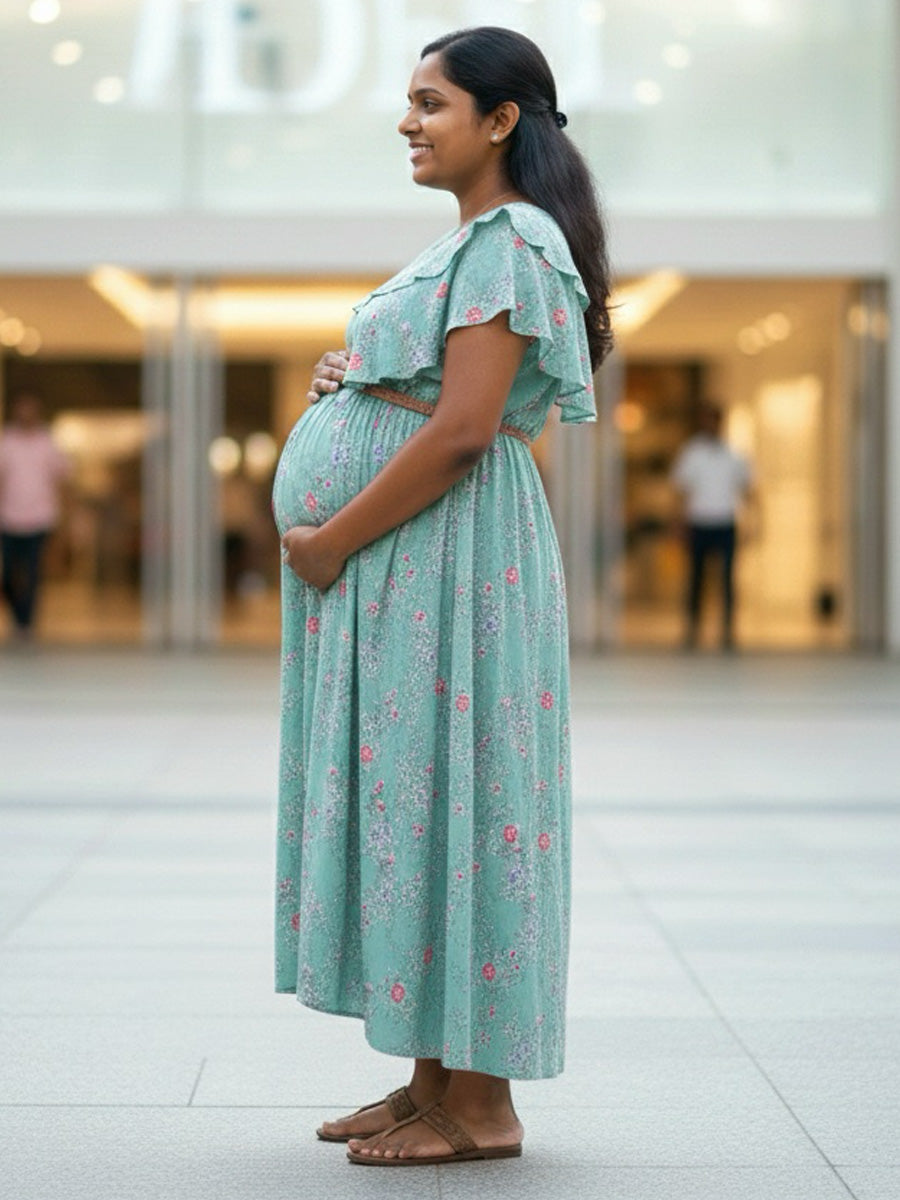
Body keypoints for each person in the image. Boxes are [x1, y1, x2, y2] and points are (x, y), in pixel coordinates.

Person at [273, 25, 612, 1168]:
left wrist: (329, 541)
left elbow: (469, 430)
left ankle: (484, 1106)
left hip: (443, 559)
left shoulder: (512, 235)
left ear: (501, 118)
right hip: (421, 566)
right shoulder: (473, 242)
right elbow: (439, 395)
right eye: (408, 104)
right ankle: (431, 1083)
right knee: (421, 803)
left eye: (431, 103)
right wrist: (355, 377)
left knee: (462, 797)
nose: (410, 123)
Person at [670, 403, 753, 650]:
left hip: (726, 522)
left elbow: (748, 490)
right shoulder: (692, 453)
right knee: (695, 579)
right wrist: (677, 523)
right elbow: (680, 491)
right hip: (698, 522)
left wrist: (753, 522)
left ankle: (728, 630)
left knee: (727, 580)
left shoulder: (734, 455)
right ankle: (692, 629)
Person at [0, 388, 71, 644]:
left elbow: (62, 480)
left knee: (32, 573)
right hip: (8, 518)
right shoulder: (6, 440)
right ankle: (16, 612)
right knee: (7, 572)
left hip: (41, 518)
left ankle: (25, 623)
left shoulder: (48, 442)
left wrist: (64, 517)